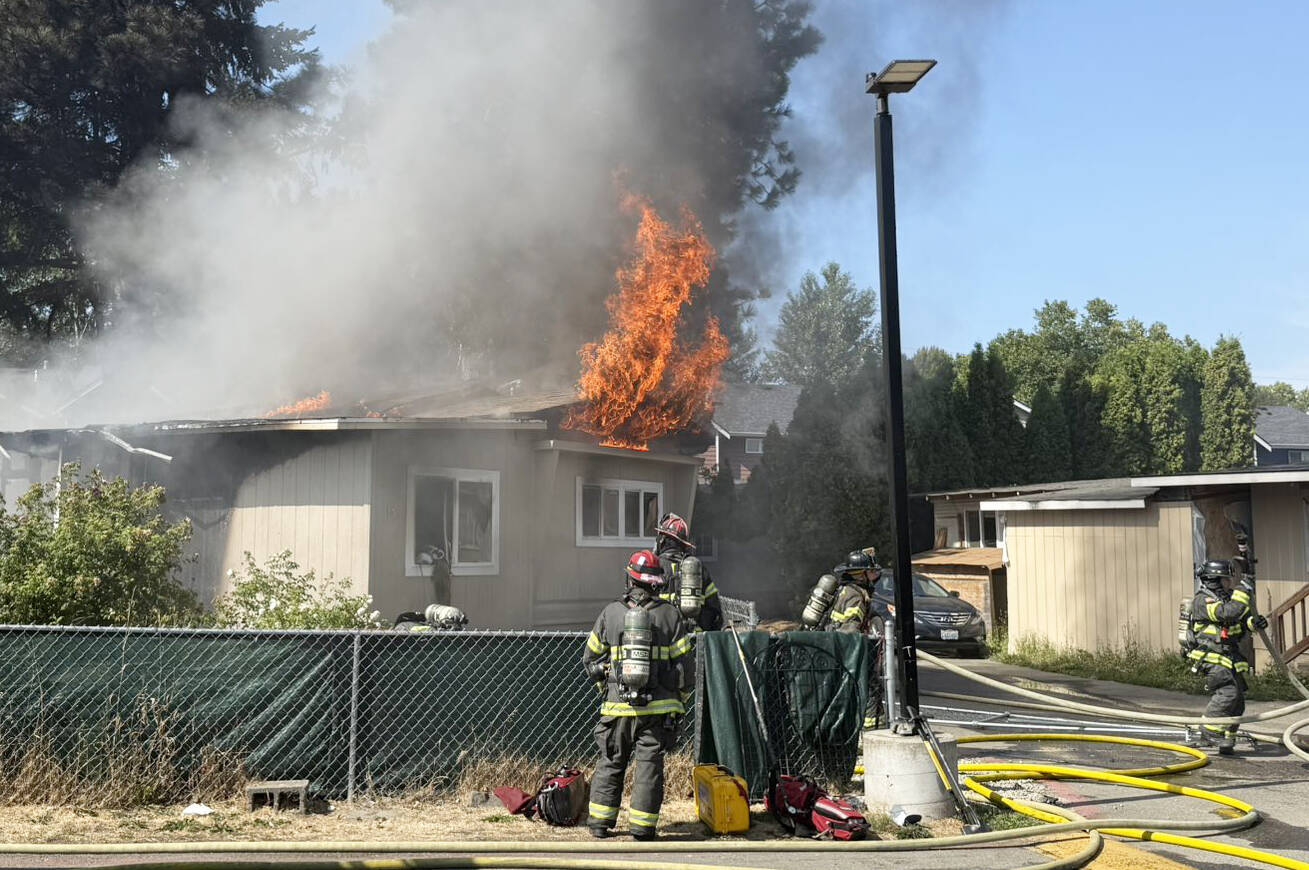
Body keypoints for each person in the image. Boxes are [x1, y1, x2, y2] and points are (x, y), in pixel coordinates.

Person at [580, 549, 694, 840]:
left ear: (629, 578)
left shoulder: (611, 613)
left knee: (611, 761)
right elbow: (685, 671)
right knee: (649, 768)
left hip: (617, 709)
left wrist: (609, 691)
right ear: (656, 582)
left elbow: (590, 660)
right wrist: (678, 702)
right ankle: (642, 828)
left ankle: (599, 824)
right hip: (657, 712)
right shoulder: (671, 615)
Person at [1187, 544, 1267, 754]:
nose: (1229, 583)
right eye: (1225, 579)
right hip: (1212, 657)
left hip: (1227, 656)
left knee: (1238, 701)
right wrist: (1244, 588)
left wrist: (1253, 624)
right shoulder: (1202, 600)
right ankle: (1208, 731)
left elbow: (1236, 625)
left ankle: (1226, 739)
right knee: (1228, 693)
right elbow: (1229, 613)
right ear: (1214, 580)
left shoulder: (1224, 598)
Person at [825, 550, 883, 730]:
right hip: (850, 653)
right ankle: (867, 732)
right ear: (861, 574)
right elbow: (850, 628)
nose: (875, 575)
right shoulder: (855, 595)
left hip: (838, 649)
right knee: (870, 689)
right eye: (871, 571)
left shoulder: (848, 590)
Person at [652, 512, 723, 632]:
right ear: (684, 544)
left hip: (663, 638)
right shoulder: (698, 569)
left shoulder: (653, 567)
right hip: (694, 640)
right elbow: (715, 613)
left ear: (662, 540)